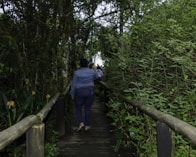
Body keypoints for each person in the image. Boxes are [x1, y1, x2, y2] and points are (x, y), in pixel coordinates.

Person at [70, 58, 101, 131]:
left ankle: (81, 122)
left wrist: (72, 94)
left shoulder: (76, 72)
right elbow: (98, 76)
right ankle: (87, 125)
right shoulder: (92, 71)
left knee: (78, 108)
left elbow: (73, 84)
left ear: (80, 64)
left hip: (79, 92)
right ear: (87, 64)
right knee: (88, 108)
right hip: (90, 91)